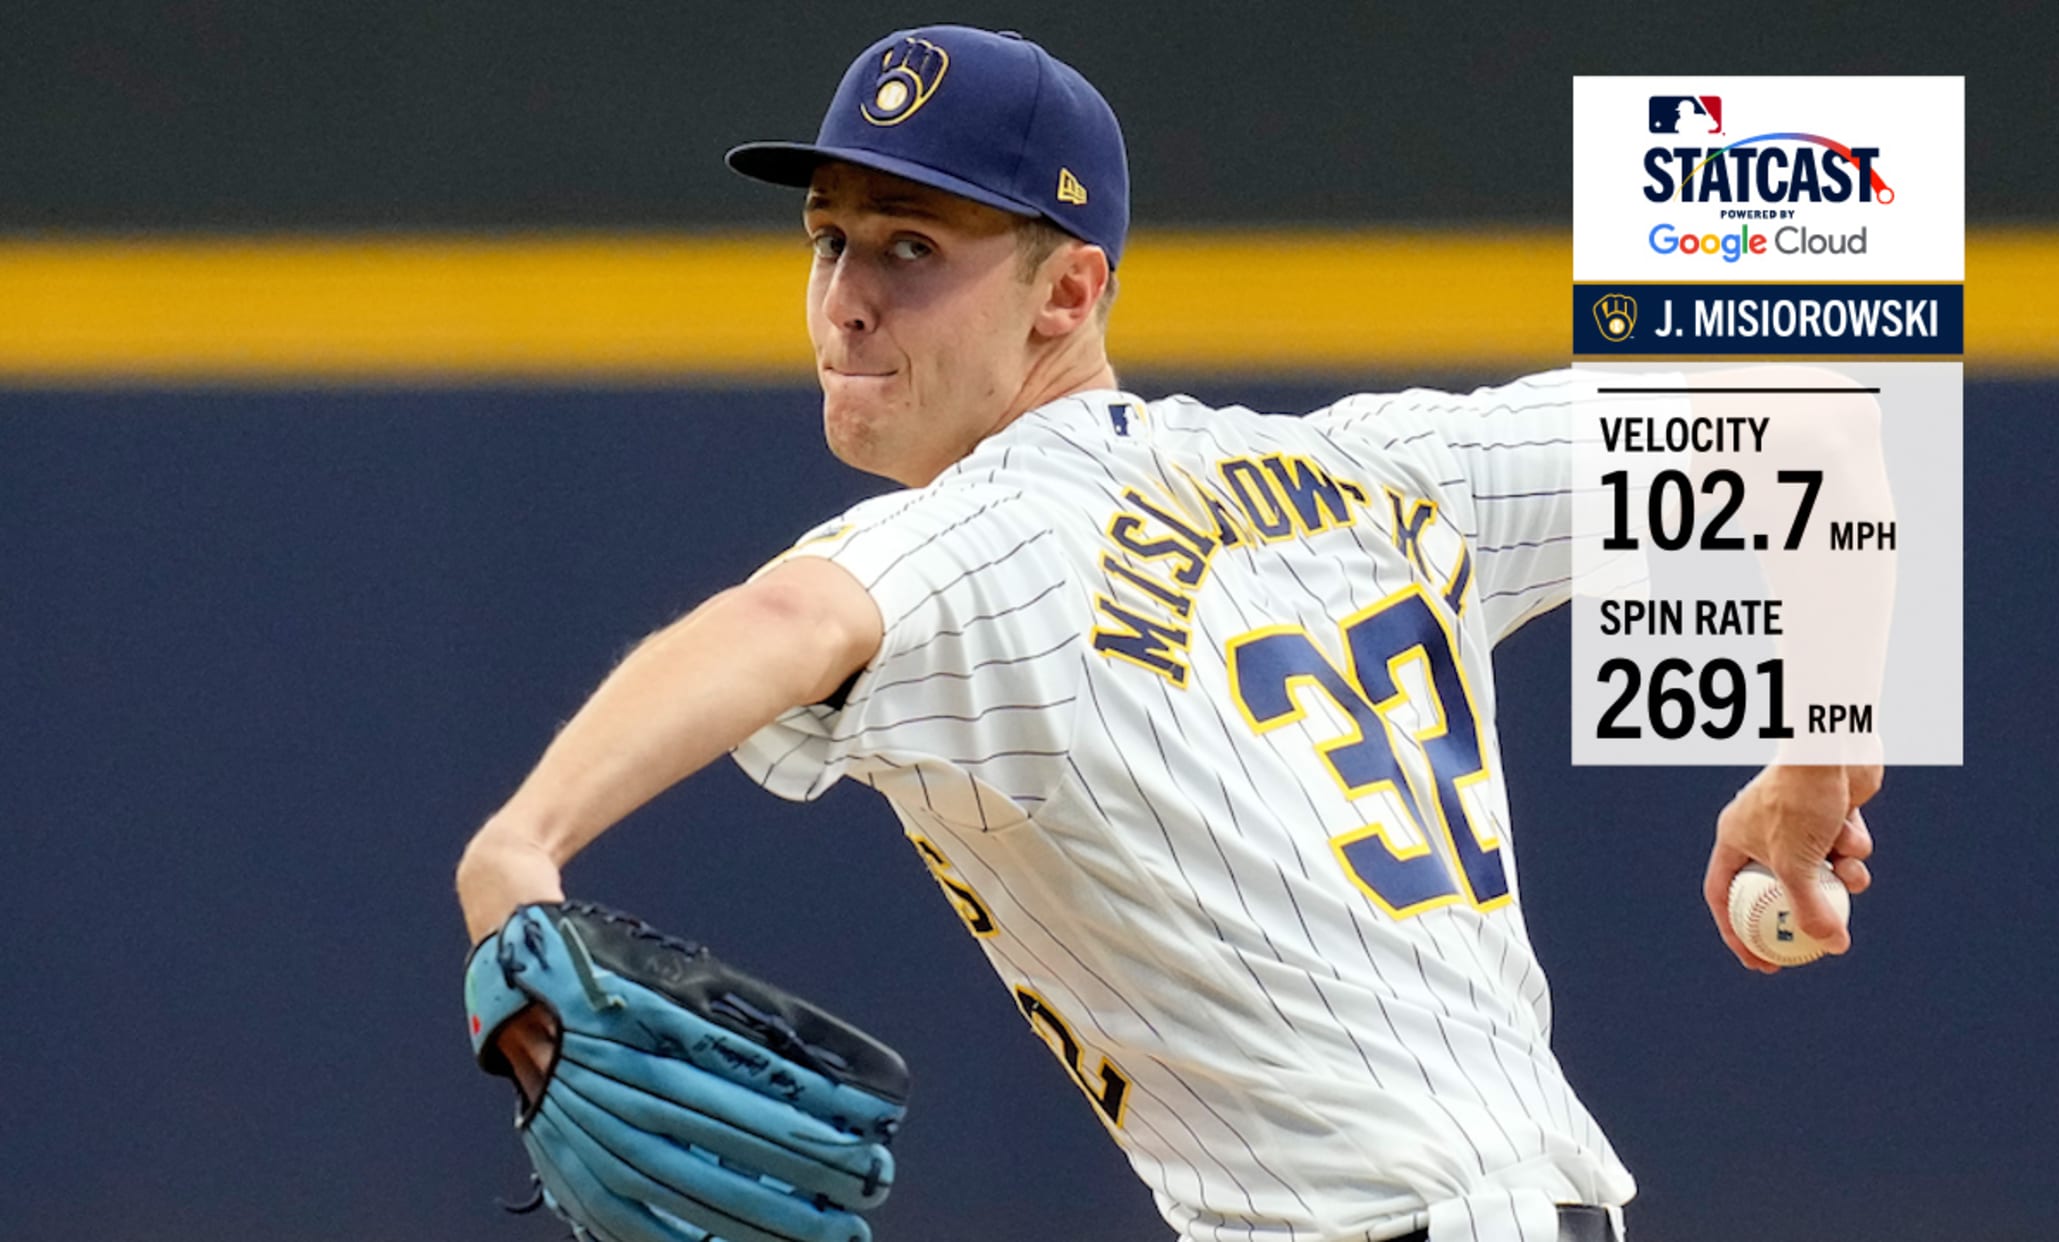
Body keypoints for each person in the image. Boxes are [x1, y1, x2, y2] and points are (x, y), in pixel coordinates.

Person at [455, 25, 1881, 1242]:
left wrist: (520, 844)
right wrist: (1814, 769)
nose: (847, 298)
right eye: (829, 237)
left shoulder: (997, 537)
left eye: (912, 245)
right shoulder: (1378, 472)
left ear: (1069, 293)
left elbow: (789, 617)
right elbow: (1809, 424)